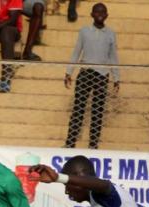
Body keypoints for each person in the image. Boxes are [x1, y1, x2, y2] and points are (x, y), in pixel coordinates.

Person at [63, 2, 118, 149]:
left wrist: (116, 77)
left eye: (103, 12)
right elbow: (76, 51)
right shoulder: (84, 31)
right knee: (78, 109)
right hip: (85, 73)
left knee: (97, 111)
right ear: (92, 14)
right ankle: (70, 143)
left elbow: (113, 56)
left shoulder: (110, 34)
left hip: (102, 75)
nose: (100, 14)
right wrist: (69, 72)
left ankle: (93, 145)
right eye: (97, 12)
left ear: (106, 15)